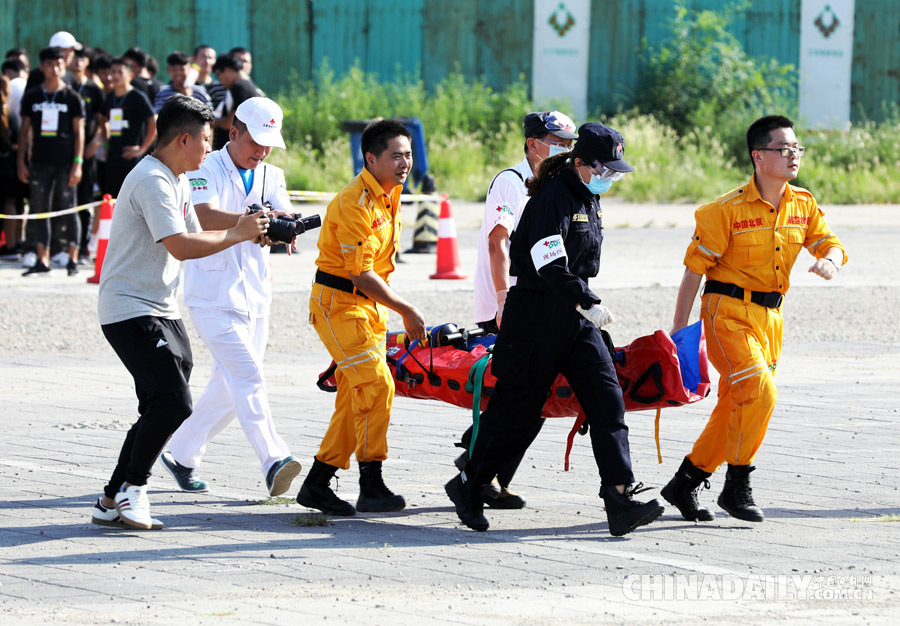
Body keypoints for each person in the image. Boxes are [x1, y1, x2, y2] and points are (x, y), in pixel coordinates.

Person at [445, 123, 665, 536]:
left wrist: (584, 305)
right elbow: (549, 263)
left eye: (616, 171)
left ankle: (619, 499)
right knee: (515, 411)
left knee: (607, 400)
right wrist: (588, 301)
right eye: (605, 169)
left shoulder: (588, 195)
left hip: (576, 319)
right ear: (581, 163)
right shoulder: (553, 197)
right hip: (537, 316)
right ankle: (469, 484)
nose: (610, 178)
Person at [91, 95, 270, 530]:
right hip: (129, 309)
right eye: (206, 140)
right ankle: (134, 490)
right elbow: (182, 245)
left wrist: (258, 226)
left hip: (161, 306)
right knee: (173, 403)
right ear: (184, 139)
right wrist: (238, 233)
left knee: (160, 404)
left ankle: (110, 497)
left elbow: (198, 230)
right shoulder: (152, 180)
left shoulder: (177, 178)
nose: (209, 150)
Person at [660, 115, 847, 524]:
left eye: (797, 148)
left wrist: (830, 262)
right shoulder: (723, 210)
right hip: (726, 312)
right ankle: (737, 483)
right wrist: (679, 328)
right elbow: (694, 269)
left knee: (736, 403)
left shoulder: (803, 203)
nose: (793, 155)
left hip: (770, 318)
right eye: (784, 148)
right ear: (759, 156)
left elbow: (828, 243)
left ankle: (685, 483)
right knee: (760, 392)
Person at [159, 97, 301, 498]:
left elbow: (281, 216)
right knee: (248, 376)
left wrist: (287, 228)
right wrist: (250, 223)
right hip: (211, 296)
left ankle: (182, 454)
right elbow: (200, 215)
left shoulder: (271, 173)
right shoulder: (205, 167)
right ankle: (274, 459)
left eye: (269, 142)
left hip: (257, 295)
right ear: (233, 133)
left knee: (228, 384)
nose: (262, 150)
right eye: (256, 141)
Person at [297, 119, 426, 516]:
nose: (404, 162)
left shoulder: (390, 195)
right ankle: (371, 483)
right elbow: (359, 272)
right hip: (338, 306)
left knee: (356, 394)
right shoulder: (355, 201)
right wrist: (405, 308)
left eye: (408, 154)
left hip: (363, 308)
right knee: (377, 385)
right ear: (371, 158)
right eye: (395, 155)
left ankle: (318, 484)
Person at [462, 110, 577, 510]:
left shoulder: (554, 184)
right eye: (558, 142)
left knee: (532, 395)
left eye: (569, 144)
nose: (565, 150)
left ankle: (483, 469)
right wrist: (500, 298)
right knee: (520, 395)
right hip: (506, 304)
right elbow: (498, 242)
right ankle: (476, 468)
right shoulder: (512, 183)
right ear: (533, 144)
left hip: (534, 304)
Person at [17, 46, 83, 276]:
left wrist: (78, 162)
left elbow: (79, 132)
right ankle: (42, 259)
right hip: (39, 162)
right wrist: (21, 162)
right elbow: (24, 132)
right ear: (42, 67)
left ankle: (72, 258)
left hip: (66, 162)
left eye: (59, 64)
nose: (54, 69)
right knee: (39, 209)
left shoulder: (72, 96)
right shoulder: (33, 95)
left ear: (64, 66)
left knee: (69, 207)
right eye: (49, 64)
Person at [98, 57, 156, 197]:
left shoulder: (137, 96)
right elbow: (101, 119)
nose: (116, 75)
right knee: (112, 197)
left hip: (132, 157)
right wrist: (106, 144)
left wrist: (143, 148)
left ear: (130, 75)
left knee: (133, 197)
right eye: (113, 71)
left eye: (120, 72)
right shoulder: (110, 97)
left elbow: (153, 121)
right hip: (113, 156)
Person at [71, 47, 104, 261]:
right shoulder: (64, 86)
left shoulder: (94, 88)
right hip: (65, 151)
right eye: (74, 57)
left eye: (82, 58)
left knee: (84, 199)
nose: (77, 61)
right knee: (64, 203)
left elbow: (103, 122)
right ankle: (63, 248)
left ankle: (83, 246)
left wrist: (96, 141)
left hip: (87, 154)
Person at [211, 54, 261, 150]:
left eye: (218, 75)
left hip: (237, 149)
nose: (220, 81)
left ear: (227, 70)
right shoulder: (247, 85)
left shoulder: (239, 88)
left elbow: (230, 123)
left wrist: (212, 122)